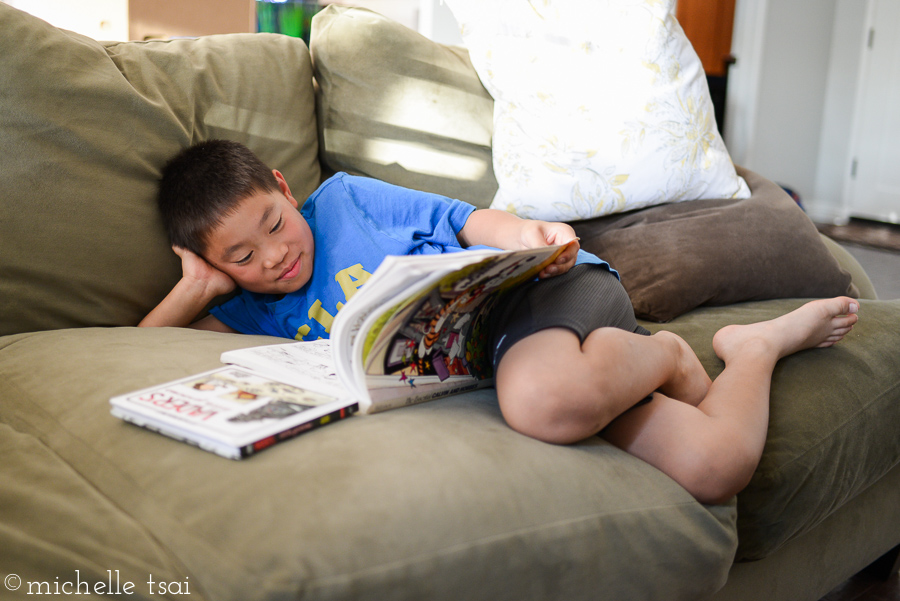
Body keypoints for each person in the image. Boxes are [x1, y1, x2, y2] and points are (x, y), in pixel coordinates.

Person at [141, 140, 859, 504]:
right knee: (715, 465)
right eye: (242, 254)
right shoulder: (239, 308)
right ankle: (757, 348)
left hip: (535, 299)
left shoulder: (345, 202)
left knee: (541, 397)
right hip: (509, 356)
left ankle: (667, 351)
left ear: (283, 187)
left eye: (273, 223)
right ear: (215, 264)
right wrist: (196, 288)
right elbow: (136, 352)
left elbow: (464, 221)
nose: (276, 255)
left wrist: (526, 237)